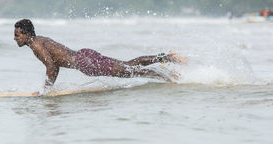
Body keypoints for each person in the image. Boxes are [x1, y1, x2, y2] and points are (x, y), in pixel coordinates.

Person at [14, 19, 187, 94]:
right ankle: (166, 58)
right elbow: (55, 64)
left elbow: (52, 66)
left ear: (27, 33)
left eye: (18, 35)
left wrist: (46, 91)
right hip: (85, 55)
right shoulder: (41, 39)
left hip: (85, 63)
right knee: (129, 66)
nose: (15, 38)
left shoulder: (35, 45)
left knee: (131, 71)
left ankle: (168, 76)